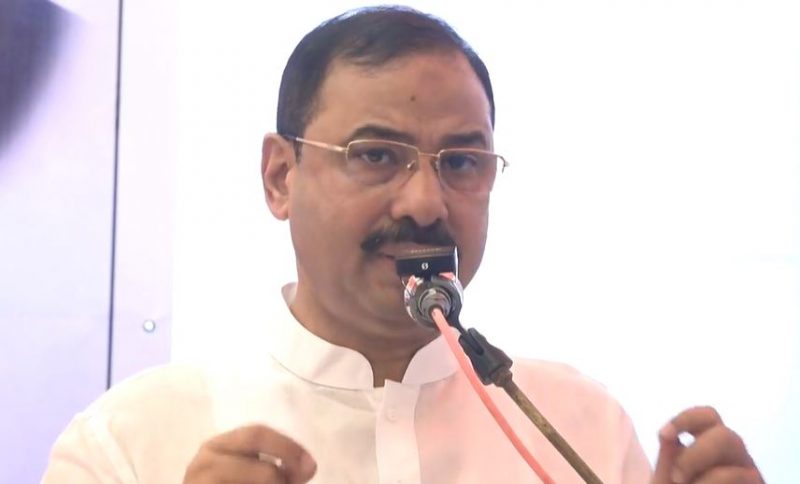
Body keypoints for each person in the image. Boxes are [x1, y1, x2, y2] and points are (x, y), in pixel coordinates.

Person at [42, 6, 763, 484]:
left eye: (462, 162)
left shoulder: (583, 429)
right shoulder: (128, 446)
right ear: (280, 177)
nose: (425, 203)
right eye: (376, 155)